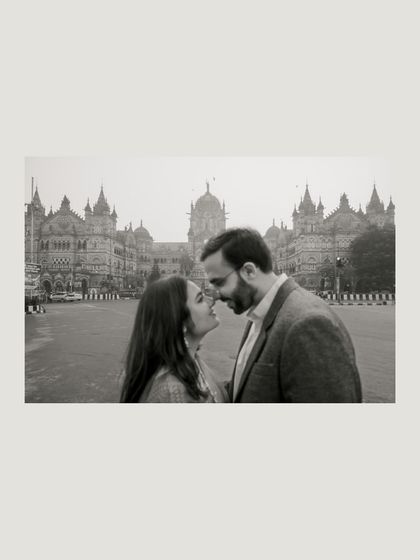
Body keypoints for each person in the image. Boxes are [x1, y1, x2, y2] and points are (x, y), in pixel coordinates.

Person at [201, 228, 362, 403]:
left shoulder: (308, 324)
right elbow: (248, 386)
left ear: (249, 271)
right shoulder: (260, 315)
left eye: (219, 282)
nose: (216, 294)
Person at [120, 276, 227, 403]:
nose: (211, 301)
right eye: (200, 299)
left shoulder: (189, 361)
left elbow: (213, 390)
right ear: (179, 321)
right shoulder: (172, 391)